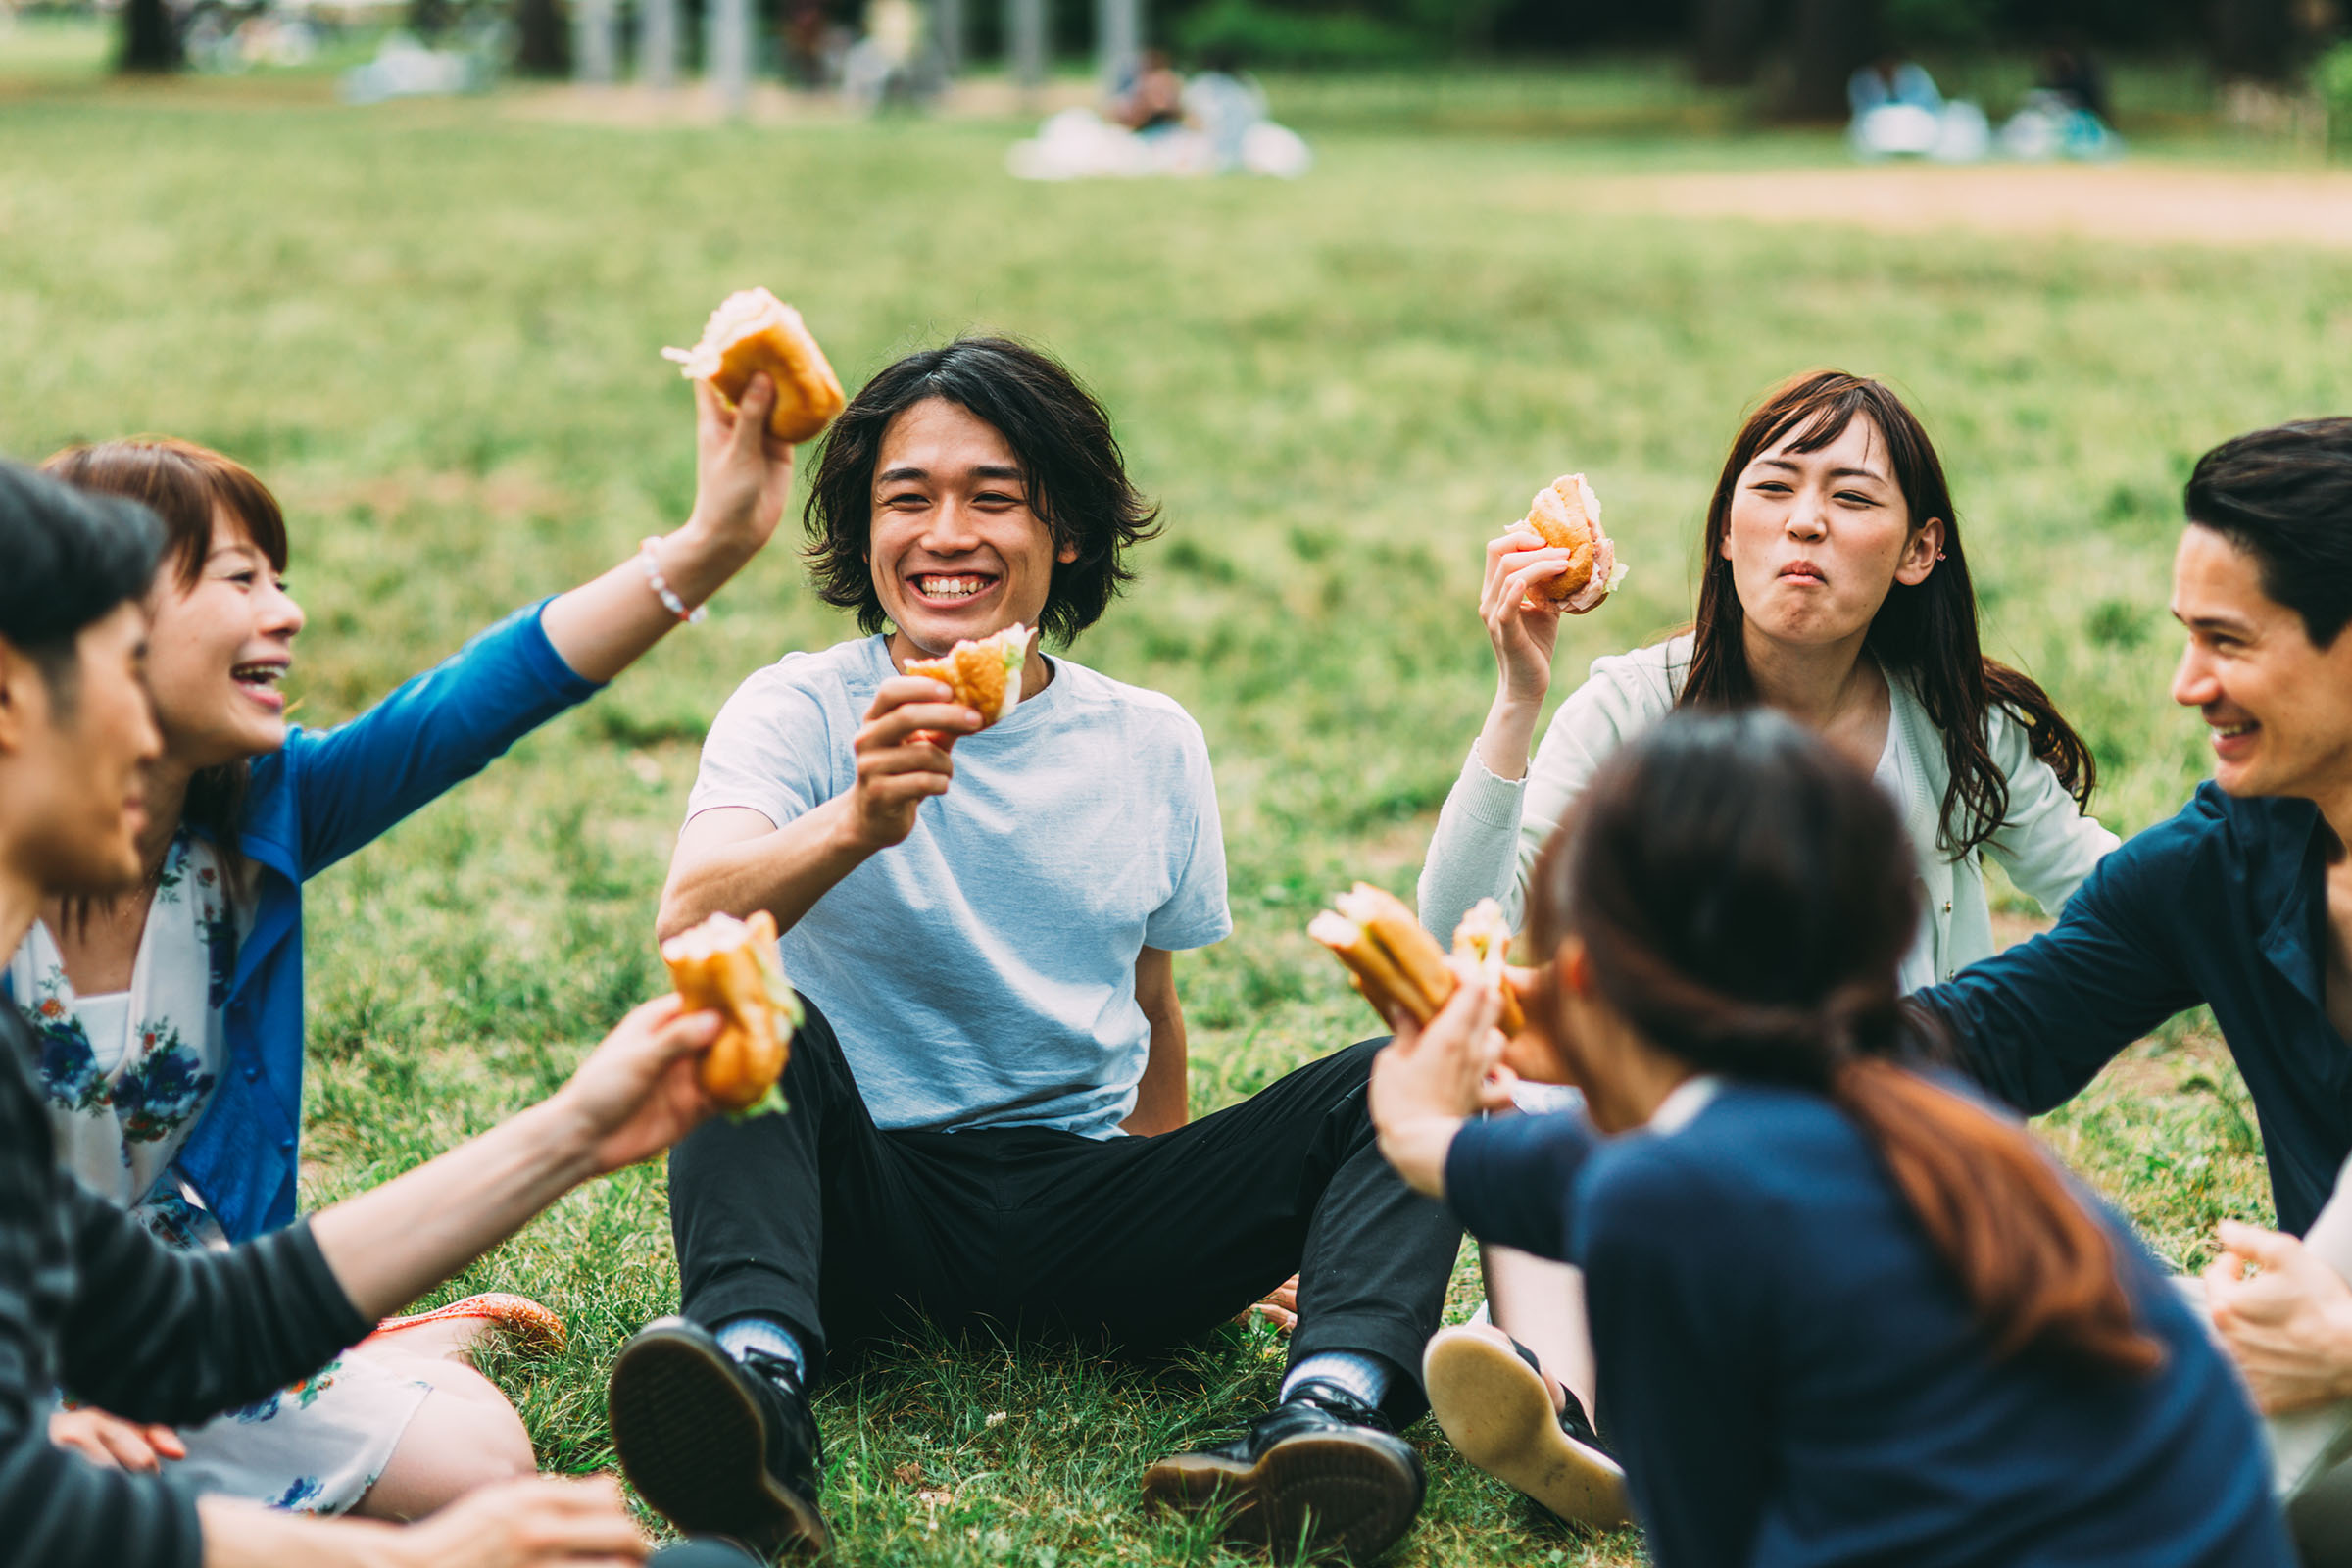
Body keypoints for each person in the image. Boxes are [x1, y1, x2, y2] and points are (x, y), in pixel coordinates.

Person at [607, 336, 1461, 1562]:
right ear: (865, 533)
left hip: (1084, 1205)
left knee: (1414, 1066)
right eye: (908, 499)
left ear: (1065, 533)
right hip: (863, 1211)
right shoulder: (796, 708)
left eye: (991, 497)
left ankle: (1326, 1413)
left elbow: (1153, 1007)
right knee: (734, 1012)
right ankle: (757, 1391)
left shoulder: (1150, 740)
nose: (945, 532)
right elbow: (692, 919)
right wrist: (859, 818)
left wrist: (1185, 1223)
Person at [13, 372, 796, 1519]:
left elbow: (477, 699)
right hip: (42, 1361)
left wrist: (711, 542)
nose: (285, 612)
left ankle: (363, 1343)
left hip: (178, 1316)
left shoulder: (255, 821)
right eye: (238, 580)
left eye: (282, 579)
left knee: (481, 1458)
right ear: (99, 624)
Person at [1414, 368, 2116, 1522]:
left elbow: (2114, 899)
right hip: (1659, 1111)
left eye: (1851, 497)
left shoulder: (1960, 730)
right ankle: (1572, 1411)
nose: (1806, 521)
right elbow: (1457, 937)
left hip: (1874, 1125)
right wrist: (1515, 697)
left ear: (1919, 550)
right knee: (1529, 1091)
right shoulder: (1634, 704)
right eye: (1776, 487)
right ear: (1727, 531)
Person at [1372, 707, 2294, 1567]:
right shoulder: (1934, 1117)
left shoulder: (1656, 1201)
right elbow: (1631, 1173)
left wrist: (1424, 1122)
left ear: (1578, 973)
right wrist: (1437, 1147)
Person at [1906, 417, 2352, 1547]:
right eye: (2182, 636)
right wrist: (1656, 1038)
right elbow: (1988, 1033)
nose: (2185, 684)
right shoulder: (2231, 861)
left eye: (2228, 641)